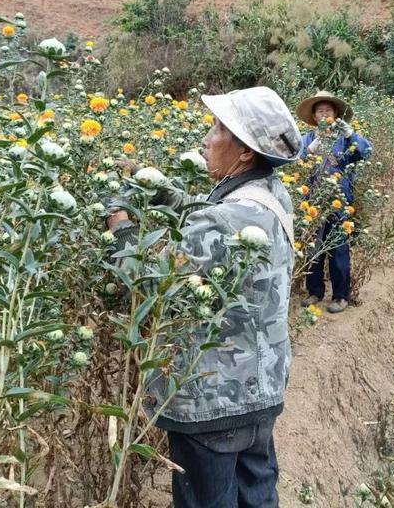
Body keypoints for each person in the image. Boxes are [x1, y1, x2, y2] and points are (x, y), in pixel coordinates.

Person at [107, 86, 301, 508]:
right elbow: (215, 219)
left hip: (212, 400)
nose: (205, 140)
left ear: (245, 152)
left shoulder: (225, 220)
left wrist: (120, 227)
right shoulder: (271, 194)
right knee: (257, 495)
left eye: (216, 130)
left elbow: (148, 283)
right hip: (261, 391)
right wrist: (167, 193)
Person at [295, 91, 373, 314]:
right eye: (320, 111)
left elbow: (366, 152)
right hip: (312, 205)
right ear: (314, 116)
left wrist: (352, 135)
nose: (324, 114)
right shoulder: (307, 139)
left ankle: (341, 296)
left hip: (340, 203)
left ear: (336, 114)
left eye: (328, 110)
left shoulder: (345, 140)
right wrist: (310, 150)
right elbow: (297, 162)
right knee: (314, 250)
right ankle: (314, 292)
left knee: (339, 250)